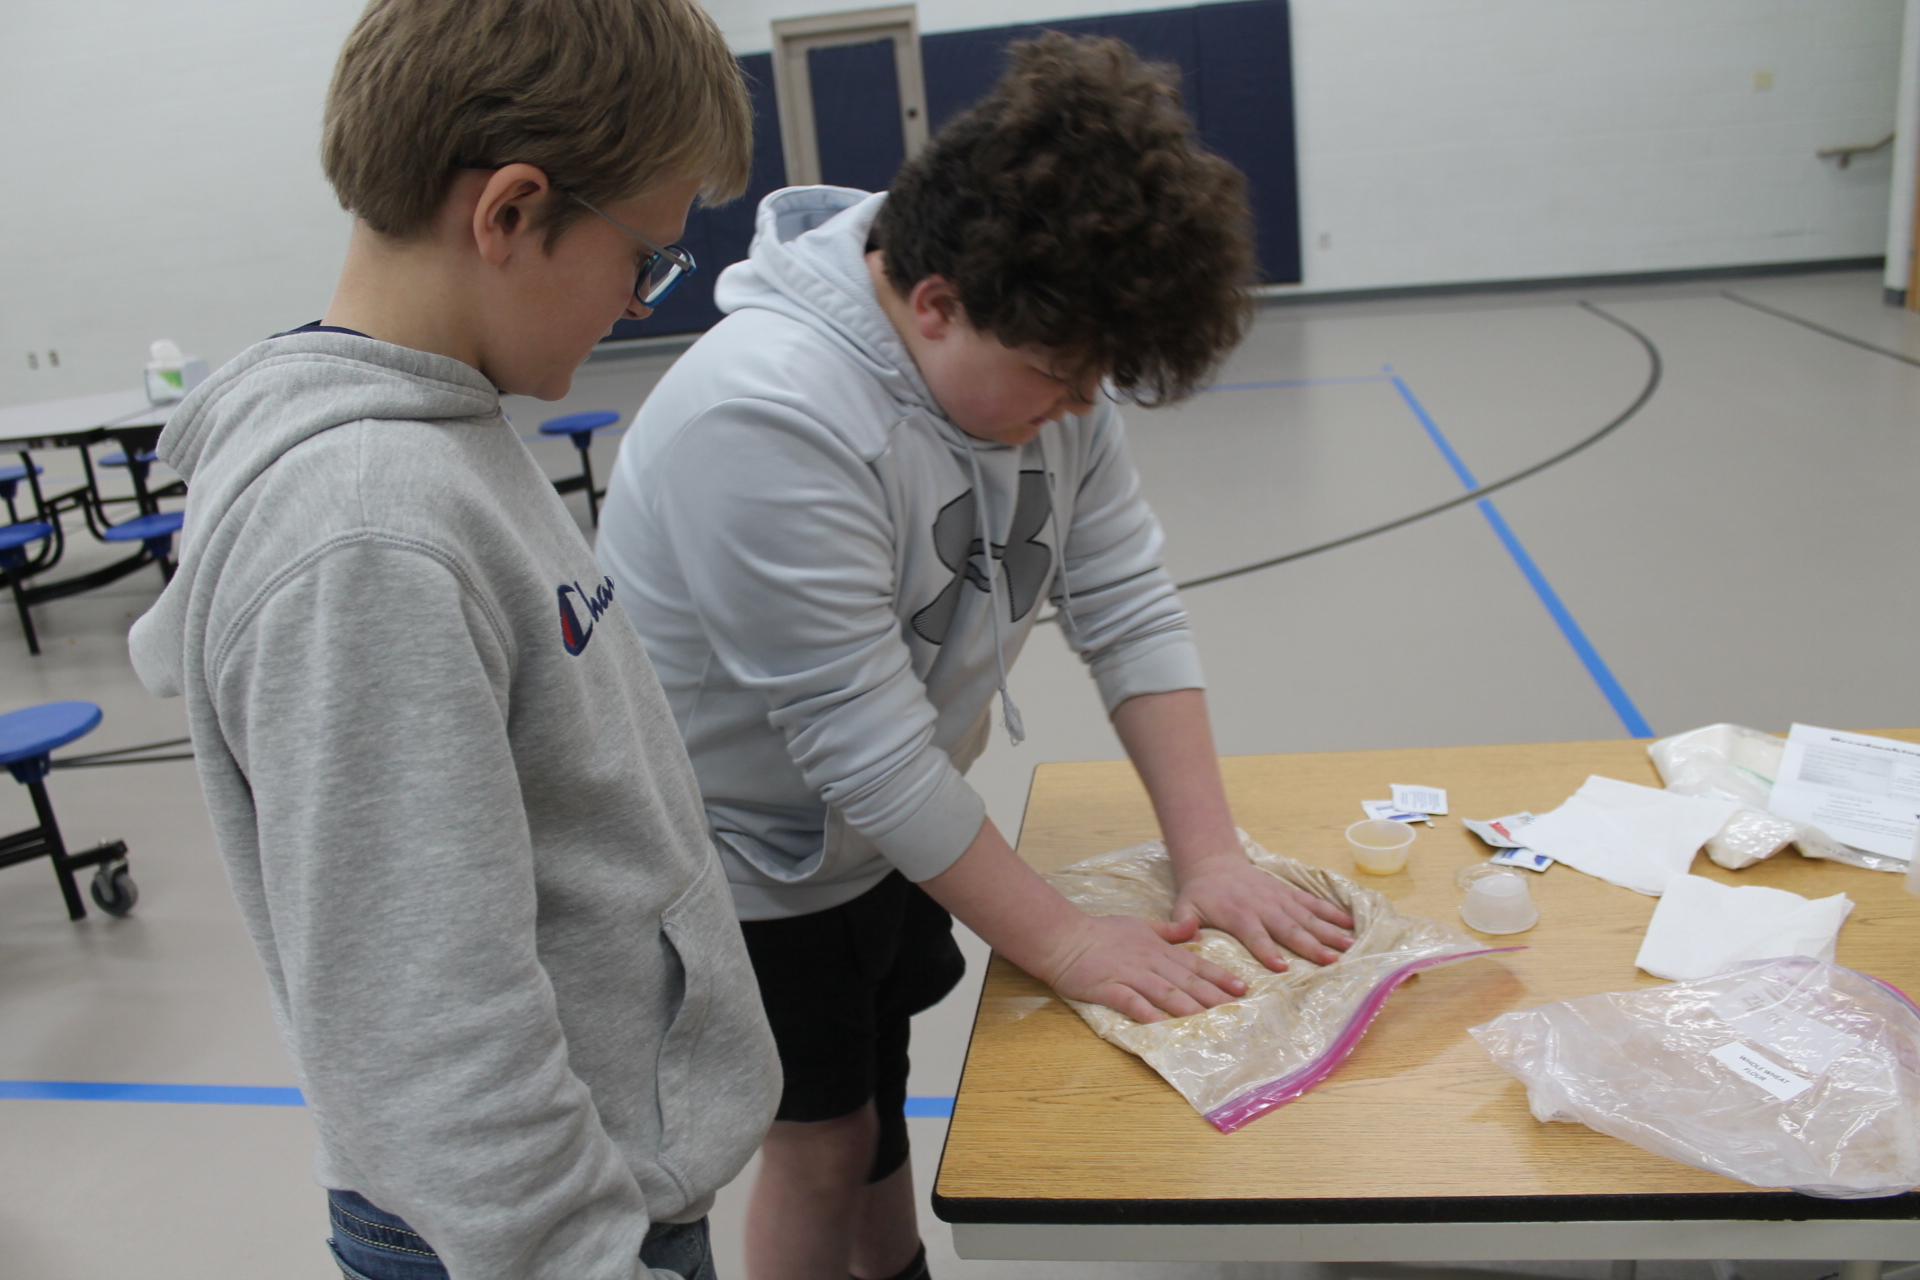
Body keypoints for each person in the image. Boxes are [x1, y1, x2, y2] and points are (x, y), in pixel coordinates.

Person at [595, 32, 1356, 1280]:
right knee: (820, 1132)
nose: (1078, 408)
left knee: (878, 1090)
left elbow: (1126, 598)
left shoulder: (1041, 341)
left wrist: (1212, 852)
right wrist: (1063, 941)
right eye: (1061, 379)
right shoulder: (765, 414)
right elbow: (862, 744)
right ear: (935, 301)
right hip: (746, 858)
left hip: (882, 829)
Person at [126, 1, 778, 1276]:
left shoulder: (445, 431)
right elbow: (428, 1024)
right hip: (536, 1236)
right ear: (511, 214)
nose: (640, 302)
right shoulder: (370, 533)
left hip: (597, 1183)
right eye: (643, 257)